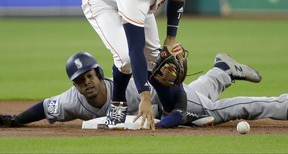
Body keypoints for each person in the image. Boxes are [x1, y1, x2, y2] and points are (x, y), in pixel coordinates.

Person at [2, 51, 288, 128]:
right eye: (79, 80)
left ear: (99, 74)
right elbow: (44, 107)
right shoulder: (72, 101)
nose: (86, 84)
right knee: (202, 93)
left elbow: (172, 97)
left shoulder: (130, 88)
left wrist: (179, 115)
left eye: (89, 76)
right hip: (169, 105)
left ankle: (282, 103)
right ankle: (222, 70)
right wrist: (15, 121)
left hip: (172, 97)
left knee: (221, 110)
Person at [81, 0, 193, 129]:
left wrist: (170, 37)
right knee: (125, 58)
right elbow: (135, 48)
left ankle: (169, 110)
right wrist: (145, 97)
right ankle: (117, 104)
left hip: (141, 0)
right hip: (102, 1)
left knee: (156, 60)